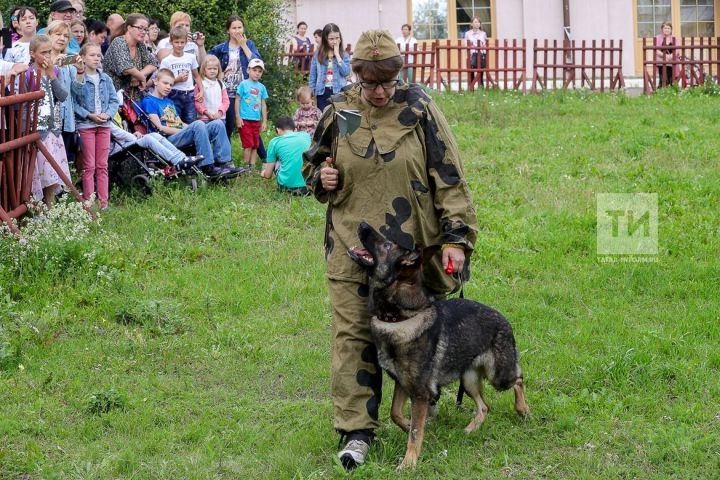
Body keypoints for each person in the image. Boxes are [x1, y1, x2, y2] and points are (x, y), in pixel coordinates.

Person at [302, 29, 478, 470]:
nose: (379, 92)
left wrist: (458, 239)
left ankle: (420, 404)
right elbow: (312, 162)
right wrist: (320, 179)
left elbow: (450, 177)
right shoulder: (340, 111)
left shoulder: (420, 110)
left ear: (399, 75)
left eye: (387, 82)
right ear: (356, 76)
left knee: (414, 333)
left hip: (408, 257)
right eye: (370, 83)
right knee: (353, 335)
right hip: (350, 246)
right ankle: (356, 431)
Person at [140, 68, 240, 177]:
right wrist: (188, 129)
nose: (168, 87)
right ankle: (207, 166)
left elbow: (179, 122)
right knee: (198, 124)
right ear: (155, 81)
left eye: (171, 84)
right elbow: (160, 128)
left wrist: (190, 127)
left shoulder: (169, 101)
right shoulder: (149, 101)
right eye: (165, 83)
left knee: (217, 124)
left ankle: (222, 163)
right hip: (167, 140)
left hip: (180, 134)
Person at [27, 35, 74, 206]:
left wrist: (51, 75)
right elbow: (23, 107)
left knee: (53, 172)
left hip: (53, 129)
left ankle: (51, 206)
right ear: (33, 54)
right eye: (43, 52)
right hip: (37, 131)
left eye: (50, 52)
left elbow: (62, 95)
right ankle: (39, 209)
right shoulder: (27, 74)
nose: (47, 56)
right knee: (40, 172)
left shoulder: (56, 71)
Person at [72, 42, 118, 209]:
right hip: (86, 125)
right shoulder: (79, 78)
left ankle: (104, 202)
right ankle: (89, 203)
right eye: (92, 55)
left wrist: (108, 114)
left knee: (102, 165)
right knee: (89, 165)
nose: (96, 58)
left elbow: (114, 101)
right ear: (83, 57)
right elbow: (74, 100)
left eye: (98, 55)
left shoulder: (106, 78)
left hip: (104, 126)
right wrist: (89, 114)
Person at [208, 15, 261, 141]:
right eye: (234, 28)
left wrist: (244, 46)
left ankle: (264, 157)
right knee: (229, 126)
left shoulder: (249, 44)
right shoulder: (221, 48)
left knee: (252, 126)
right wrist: (218, 73)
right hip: (228, 92)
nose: (237, 31)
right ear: (228, 31)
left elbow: (257, 63)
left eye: (240, 27)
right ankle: (226, 157)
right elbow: (207, 61)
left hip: (247, 92)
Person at [46, 20, 82, 172]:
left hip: (67, 119)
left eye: (66, 36)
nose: (62, 38)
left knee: (64, 159)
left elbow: (77, 92)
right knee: (49, 161)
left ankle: (64, 193)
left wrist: (80, 72)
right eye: (58, 34)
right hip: (48, 119)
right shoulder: (43, 59)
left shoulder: (69, 60)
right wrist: (53, 66)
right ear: (49, 35)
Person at [103, 13, 157, 101]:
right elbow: (126, 68)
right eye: (140, 28)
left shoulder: (140, 45)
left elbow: (153, 64)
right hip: (114, 99)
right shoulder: (119, 42)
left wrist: (140, 75)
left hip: (134, 100)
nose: (143, 32)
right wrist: (142, 77)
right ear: (129, 28)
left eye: (145, 29)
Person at [159, 26, 204, 124]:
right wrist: (176, 79)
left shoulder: (191, 57)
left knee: (191, 122)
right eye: (176, 42)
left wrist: (201, 90)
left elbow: (196, 76)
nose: (179, 45)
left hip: (189, 94)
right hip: (173, 94)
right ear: (171, 42)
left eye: (182, 42)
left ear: (186, 43)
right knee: (174, 123)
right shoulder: (166, 61)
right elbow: (162, 81)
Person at [261, 116, 310, 196]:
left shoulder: (274, 142)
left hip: (287, 188)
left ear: (278, 130)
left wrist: (263, 173)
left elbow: (268, 175)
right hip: (309, 187)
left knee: (275, 156)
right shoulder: (306, 136)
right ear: (295, 129)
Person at [308, 23, 350, 111]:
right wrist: (310, 94)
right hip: (322, 93)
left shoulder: (344, 55)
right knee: (323, 120)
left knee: (337, 121)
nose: (335, 41)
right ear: (325, 39)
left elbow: (346, 72)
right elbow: (313, 76)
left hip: (339, 92)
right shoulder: (317, 54)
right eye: (331, 39)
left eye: (337, 38)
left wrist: (337, 55)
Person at [235, 58, 267, 170]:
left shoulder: (262, 87)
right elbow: (237, 100)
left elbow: (263, 105)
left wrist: (264, 121)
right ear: (248, 70)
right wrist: (238, 117)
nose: (257, 73)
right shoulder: (243, 84)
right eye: (255, 70)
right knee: (248, 145)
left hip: (256, 120)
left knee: (255, 144)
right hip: (245, 119)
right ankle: (245, 167)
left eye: (260, 71)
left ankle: (252, 167)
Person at [195, 55, 229, 123]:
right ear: (204, 70)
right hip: (204, 119)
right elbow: (197, 103)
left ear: (218, 70)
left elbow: (226, 101)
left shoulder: (221, 84)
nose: (212, 71)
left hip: (220, 118)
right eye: (209, 69)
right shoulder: (200, 84)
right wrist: (206, 113)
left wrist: (220, 113)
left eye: (215, 69)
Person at [464, 17, 487, 88]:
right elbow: (466, 44)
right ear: (471, 24)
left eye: (478, 22)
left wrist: (483, 52)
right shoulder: (467, 34)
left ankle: (481, 87)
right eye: (475, 22)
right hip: (472, 54)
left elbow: (485, 45)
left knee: (480, 72)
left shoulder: (483, 33)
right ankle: (471, 88)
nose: (477, 24)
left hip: (481, 54)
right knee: (471, 71)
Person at [655, 21, 679, 88]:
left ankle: (671, 89)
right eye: (665, 28)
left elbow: (677, 49)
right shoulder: (658, 38)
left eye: (668, 28)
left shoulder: (674, 38)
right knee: (663, 77)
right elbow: (656, 50)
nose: (667, 30)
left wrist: (671, 56)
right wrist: (665, 56)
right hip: (661, 60)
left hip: (672, 60)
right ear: (662, 29)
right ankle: (661, 89)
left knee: (671, 77)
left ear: (671, 30)